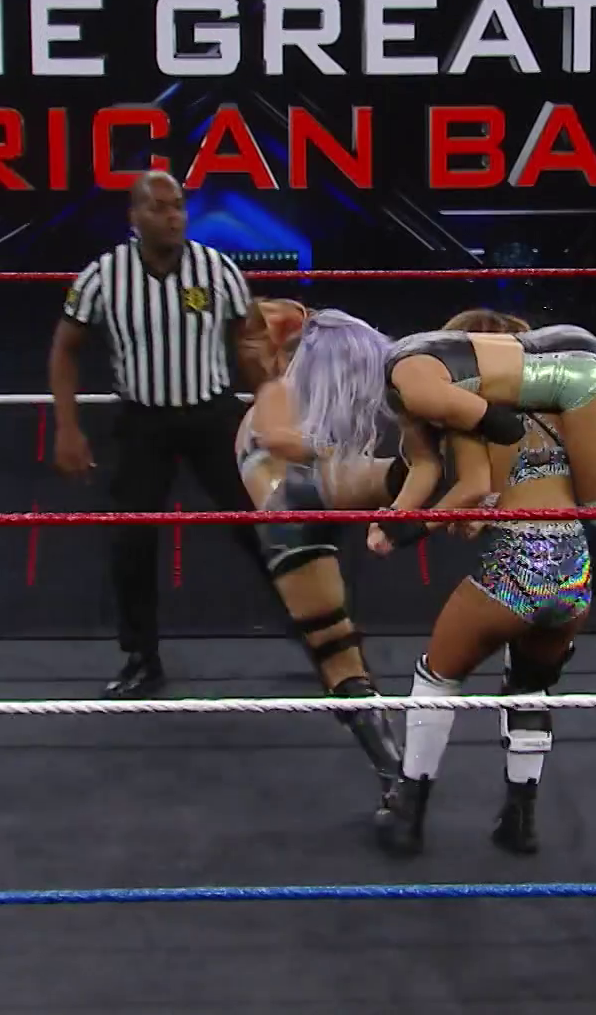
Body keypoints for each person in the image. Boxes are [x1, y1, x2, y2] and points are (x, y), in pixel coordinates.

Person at [47, 170, 274, 699]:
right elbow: (65, 348)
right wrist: (66, 427)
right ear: (134, 216)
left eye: (178, 206)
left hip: (212, 416)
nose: (173, 217)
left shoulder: (218, 269)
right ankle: (141, 657)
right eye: (160, 207)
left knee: (263, 527)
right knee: (131, 541)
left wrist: (269, 410)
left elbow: (249, 341)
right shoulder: (104, 276)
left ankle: (321, 637)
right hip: (143, 421)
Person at [374, 406, 592, 857]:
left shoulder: (472, 401)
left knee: (438, 675)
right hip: (575, 564)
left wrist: (406, 530)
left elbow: (473, 483)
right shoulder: (567, 400)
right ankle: (520, 820)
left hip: (520, 560)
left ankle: (407, 817)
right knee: (530, 684)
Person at [235, 302, 406, 786]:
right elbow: (284, 442)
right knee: (335, 650)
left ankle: (396, 780)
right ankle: (397, 779)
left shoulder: (304, 390)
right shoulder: (283, 396)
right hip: (293, 501)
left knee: (336, 652)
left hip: (285, 515)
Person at [378, 319, 596, 539]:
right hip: (566, 354)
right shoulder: (407, 383)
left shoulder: (426, 391)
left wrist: (424, 525)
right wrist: (393, 519)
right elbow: (425, 464)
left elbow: (503, 436)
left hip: (578, 375)